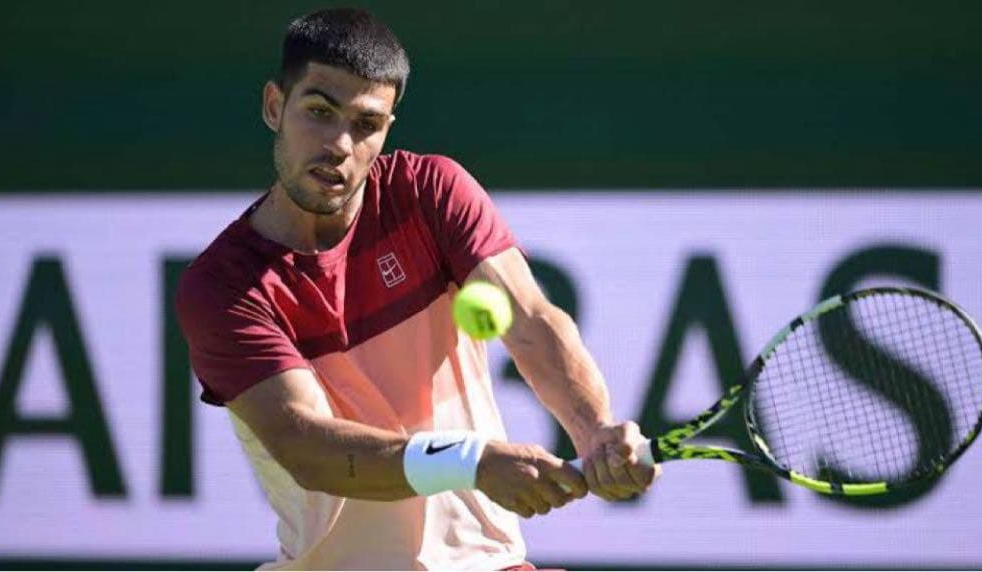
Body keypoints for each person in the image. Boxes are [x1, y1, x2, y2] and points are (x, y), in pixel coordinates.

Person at [175, 8, 657, 570]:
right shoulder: (224, 287)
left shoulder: (431, 194)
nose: (340, 144)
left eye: (366, 124)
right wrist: (470, 461)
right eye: (319, 112)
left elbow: (531, 321)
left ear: (387, 129)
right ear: (274, 106)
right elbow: (307, 445)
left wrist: (594, 430)